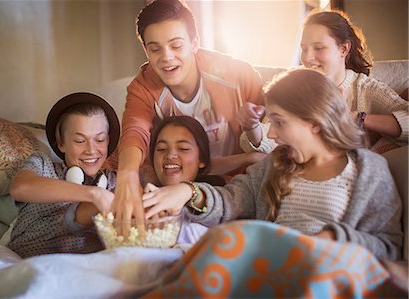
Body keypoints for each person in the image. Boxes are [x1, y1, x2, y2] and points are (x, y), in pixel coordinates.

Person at [146, 69, 403, 261]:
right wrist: (188, 191)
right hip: (271, 268)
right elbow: (230, 200)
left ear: (314, 121)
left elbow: (389, 247)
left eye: (279, 122)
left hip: (325, 275)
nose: (270, 135)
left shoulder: (370, 171)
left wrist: (334, 239)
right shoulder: (275, 164)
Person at [112, 0, 269, 235]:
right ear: (145, 50)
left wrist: (251, 157)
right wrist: (127, 175)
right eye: (155, 49)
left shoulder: (237, 74)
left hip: (237, 191)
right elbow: (136, 131)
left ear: (194, 43)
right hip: (178, 194)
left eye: (176, 45)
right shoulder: (142, 88)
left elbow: (273, 132)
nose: (167, 57)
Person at [240, 9, 408, 154]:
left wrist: (356, 118)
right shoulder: (294, 82)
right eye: (304, 49)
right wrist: (252, 126)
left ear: (344, 49)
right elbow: (269, 139)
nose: (307, 58)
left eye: (318, 48)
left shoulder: (364, 89)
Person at [7, 92, 120, 258]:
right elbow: (20, 188)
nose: (91, 150)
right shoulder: (43, 166)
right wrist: (95, 194)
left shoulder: (115, 182)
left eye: (100, 139)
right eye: (80, 141)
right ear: (61, 143)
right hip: (31, 264)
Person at [142, 116, 225, 244]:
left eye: (183, 148)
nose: (170, 155)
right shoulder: (142, 198)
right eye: (162, 149)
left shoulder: (219, 202)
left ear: (201, 159)